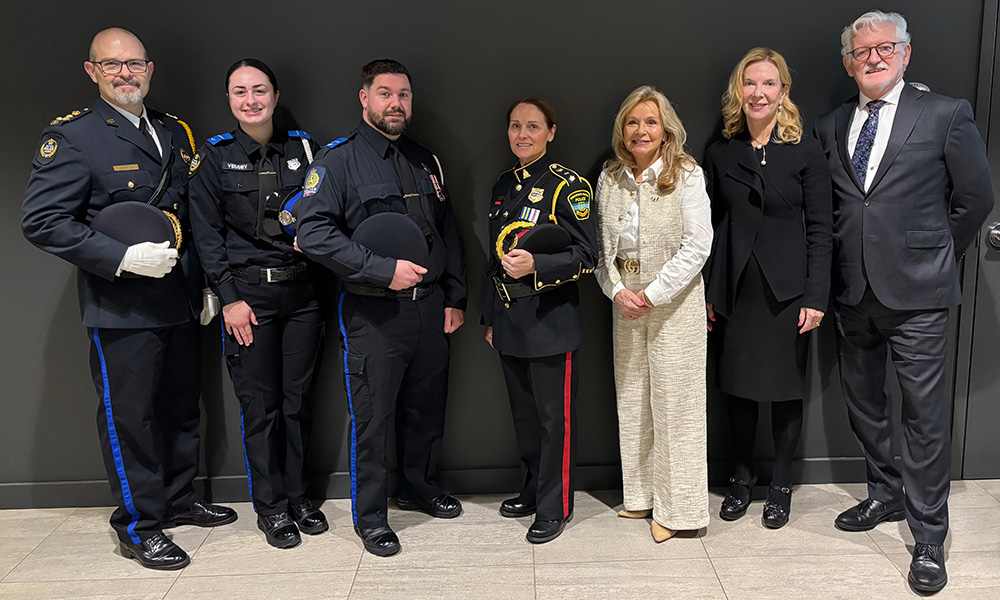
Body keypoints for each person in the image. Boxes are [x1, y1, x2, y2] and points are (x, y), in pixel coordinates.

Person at [20, 28, 236, 571]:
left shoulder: (173, 131)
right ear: (92, 72)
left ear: (149, 68)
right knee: (131, 418)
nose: (125, 73)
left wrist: (208, 284)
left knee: (182, 408)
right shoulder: (73, 138)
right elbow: (42, 221)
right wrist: (120, 257)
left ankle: (180, 501)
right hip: (121, 307)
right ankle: (140, 525)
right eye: (112, 65)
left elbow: (192, 217)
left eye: (134, 64)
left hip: (181, 299)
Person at [814, 10, 994, 594]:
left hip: (919, 297)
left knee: (924, 420)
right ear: (848, 62)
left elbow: (974, 199)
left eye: (885, 48)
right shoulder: (830, 124)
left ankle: (928, 538)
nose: (873, 57)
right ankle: (885, 496)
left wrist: (938, 255)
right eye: (862, 51)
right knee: (865, 407)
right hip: (853, 294)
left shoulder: (944, 114)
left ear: (906, 53)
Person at [294, 59, 468, 557]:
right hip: (374, 313)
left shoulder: (424, 160)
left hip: (430, 309)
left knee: (426, 408)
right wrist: (380, 269)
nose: (396, 104)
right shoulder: (337, 161)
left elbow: (447, 230)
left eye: (405, 95)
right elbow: (314, 233)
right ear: (365, 98)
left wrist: (455, 295)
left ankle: (419, 487)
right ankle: (371, 517)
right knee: (371, 417)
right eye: (386, 93)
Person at [188, 58, 326, 549]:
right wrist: (228, 299)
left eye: (260, 90)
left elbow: (325, 209)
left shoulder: (305, 149)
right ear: (229, 99)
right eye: (240, 91)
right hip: (249, 298)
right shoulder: (214, 157)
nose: (251, 100)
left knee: (297, 403)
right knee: (261, 407)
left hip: (304, 295)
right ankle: (271, 508)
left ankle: (299, 497)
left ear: (275, 94)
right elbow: (206, 236)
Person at [703, 48, 832, 529]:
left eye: (769, 84)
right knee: (737, 390)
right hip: (736, 288)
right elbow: (708, 228)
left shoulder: (806, 150)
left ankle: (780, 482)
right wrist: (710, 292)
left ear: (783, 92)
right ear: (740, 91)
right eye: (750, 84)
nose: (758, 92)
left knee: (782, 392)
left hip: (789, 292)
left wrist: (816, 297)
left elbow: (822, 228)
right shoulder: (719, 151)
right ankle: (741, 477)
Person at [594, 85, 713, 542]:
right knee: (633, 401)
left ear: (666, 129)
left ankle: (679, 511)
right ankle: (641, 496)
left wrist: (653, 294)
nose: (640, 130)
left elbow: (697, 245)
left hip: (673, 307)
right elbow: (600, 249)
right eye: (632, 122)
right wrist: (617, 291)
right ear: (622, 130)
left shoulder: (686, 174)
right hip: (625, 305)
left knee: (675, 407)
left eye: (650, 121)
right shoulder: (610, 177)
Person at [482, 97, 598, 544]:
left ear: (551, 132)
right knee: (525, 419)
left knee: (554, 422)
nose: (522, 134)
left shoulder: (568, 187)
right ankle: (532, 490)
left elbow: (588, 255)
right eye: (515, 126)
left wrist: (537, 266)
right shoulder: (501, 184)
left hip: (550, 321)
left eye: (533, 126)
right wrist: (490, 317)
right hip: (509, 319)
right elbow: (492, 257)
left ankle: (555, 505)